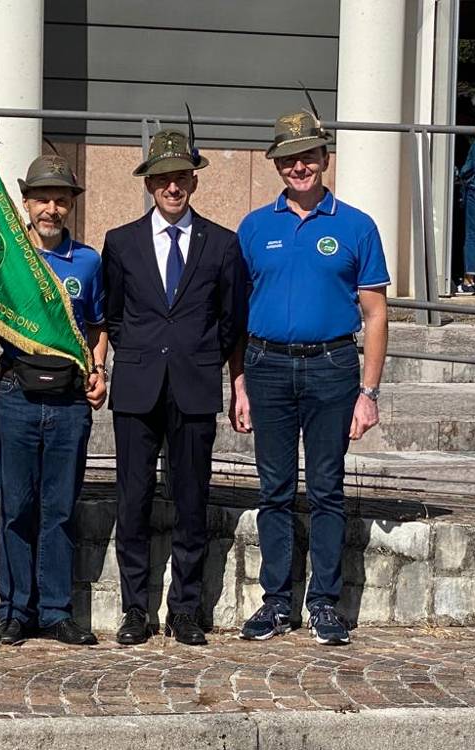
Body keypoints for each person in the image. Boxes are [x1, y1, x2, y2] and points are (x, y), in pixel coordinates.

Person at [232, 105, 389, 646]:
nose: (299, 167)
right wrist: (239, 382)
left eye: (308, 157)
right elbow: (236, 311)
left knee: (326, 489)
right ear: (277, 165)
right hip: (267, 366)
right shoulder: (253, 227)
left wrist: (368, 392)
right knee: (273, 490)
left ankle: (323, 602)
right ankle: (275, 603)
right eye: (288, 160)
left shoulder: (356, 226)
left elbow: (375, 315)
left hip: (332, 369)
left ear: (325, 158)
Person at [102, 127, 247, 647]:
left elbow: (231, 319)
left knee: (191, 500)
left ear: (193, 181)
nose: (172, 186)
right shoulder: (120, 243)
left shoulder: (223, 245)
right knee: (133, 501)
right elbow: (114, 315)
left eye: (180, 176)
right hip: (138, 387)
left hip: (194, 383)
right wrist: (143, 351)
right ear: (150, 184)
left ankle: (186, 608)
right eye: (162, 178)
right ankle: (135, 609)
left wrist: (201, 355)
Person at [0, 156, 107, 646]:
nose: (51, 208)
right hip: (17, 395)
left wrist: (98, 368)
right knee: (16, 507)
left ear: (70, 206)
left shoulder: (87, 262)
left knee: (61, 507)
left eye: (60, 199)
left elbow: (97, 323)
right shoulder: (6, 260)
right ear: (25, 203)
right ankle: (14, 610)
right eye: (42, 198)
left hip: (68, 401)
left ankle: (55, 610)